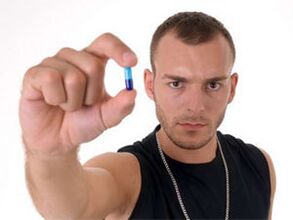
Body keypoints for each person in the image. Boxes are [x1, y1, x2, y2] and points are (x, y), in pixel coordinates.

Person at [20, 11, 276, 219]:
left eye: (212, 85)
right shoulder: (128, 175)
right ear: (150, 84)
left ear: (231, 88)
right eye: (176, 83)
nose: (195, 105)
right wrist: (49, 154)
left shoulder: (258, 166)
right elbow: (74, 209)